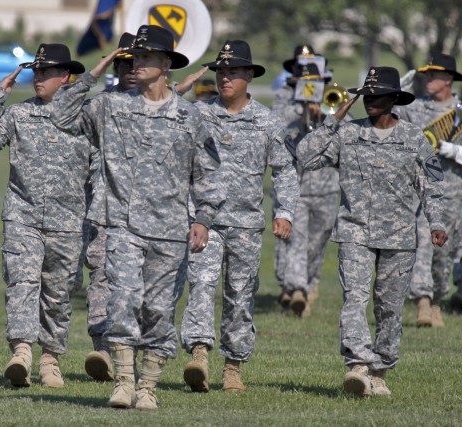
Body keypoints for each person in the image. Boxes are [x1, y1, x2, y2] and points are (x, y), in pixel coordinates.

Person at [50, 25, 224, 410]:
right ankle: (125, 382)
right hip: (122, 226)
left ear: (166, 64)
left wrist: (204, 219)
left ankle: (149, 385)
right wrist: (99, 68)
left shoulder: (189, 117)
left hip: (170, 229)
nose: (138, 62)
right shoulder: (110, 106)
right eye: (134, 57)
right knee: (123, 300)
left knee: (158, 310)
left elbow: (209, 176)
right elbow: (60, 114)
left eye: (146, 57)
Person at [297, 66, 447, 397]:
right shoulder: (348, 134)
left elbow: (432, 186)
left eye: (377, 96)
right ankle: (358, 365)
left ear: (394, 99)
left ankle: (380, 370)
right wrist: (335, 118)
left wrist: (437, 222)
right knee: (355, 297)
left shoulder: (413, 139)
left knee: (389, 307)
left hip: (399, 236)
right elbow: (304, 157)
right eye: (366, 96)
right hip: (355, 232)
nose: (370, 102)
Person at [179, 40, 298, 393]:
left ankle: (233, 366)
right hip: (205, 222)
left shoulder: (266, 121)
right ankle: (199, 355)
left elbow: (285, 171)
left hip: (246, 224)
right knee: (200, 284)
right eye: (221, 72)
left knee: (240, 295)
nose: (225, 77)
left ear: (249, 75)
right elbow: (161, 110)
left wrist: (285, 211)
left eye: (233, 72)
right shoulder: (198, 114)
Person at [0, 43, 91, 388]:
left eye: (46, 72)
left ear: (66, 77)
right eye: (35, 71)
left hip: (69, 222)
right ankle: (22, 352)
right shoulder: (19, 114)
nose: (38, 78)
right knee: (22, 284)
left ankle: (50, 360)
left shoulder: (85, 118)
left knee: (58, 293)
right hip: (22, 216)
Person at [82, 31, 137, 382]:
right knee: (101, 276)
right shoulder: (100, 104)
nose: (131, 70)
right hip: (104, 207)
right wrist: (95, 70)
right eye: (124, 63)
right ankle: (101, 347)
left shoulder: (167, 106)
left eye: (138, 62)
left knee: (140, 286)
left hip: (151, 213)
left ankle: (133, 352)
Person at [394, 53, 462, 325]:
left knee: (443, 254)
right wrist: (398, 89)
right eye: (426, 75)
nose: (428, 80)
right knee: (422, 243)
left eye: (433, 75)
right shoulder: (417, 107)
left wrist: (453, 151)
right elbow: (390, 117)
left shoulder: (459, 110)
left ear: (447, 79)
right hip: (423, 193)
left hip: (455, 194)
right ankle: (422, 301)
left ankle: (436, 300)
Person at [276, 63, 340, 317]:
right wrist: (303, 119)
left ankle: (309, 284)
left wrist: (323, 119)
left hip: (327, 189)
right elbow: (284, 142)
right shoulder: (288, 113)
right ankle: (297, 289)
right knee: (296, 240)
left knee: (317, 244)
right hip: (298, 190)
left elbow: (341, 146)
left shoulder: (332, 111)